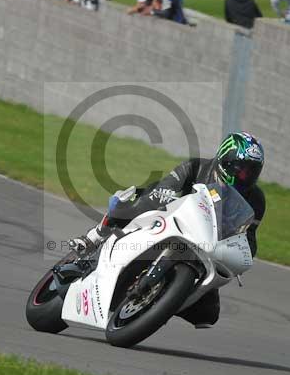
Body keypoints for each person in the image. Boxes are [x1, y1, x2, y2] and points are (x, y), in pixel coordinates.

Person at [67, 131, 266, 328]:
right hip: (168, 218)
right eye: (241, 169)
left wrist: (243, 253)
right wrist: (168, 196)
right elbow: (165, 188)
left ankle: (162, 301)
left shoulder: (256, 200)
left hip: (204, 246)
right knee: (141, 205)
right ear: (225, 160)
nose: (245, 176)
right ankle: (95, 236)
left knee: (208, 314)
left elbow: (248, 237)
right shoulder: (197, 167)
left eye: (251, 172)